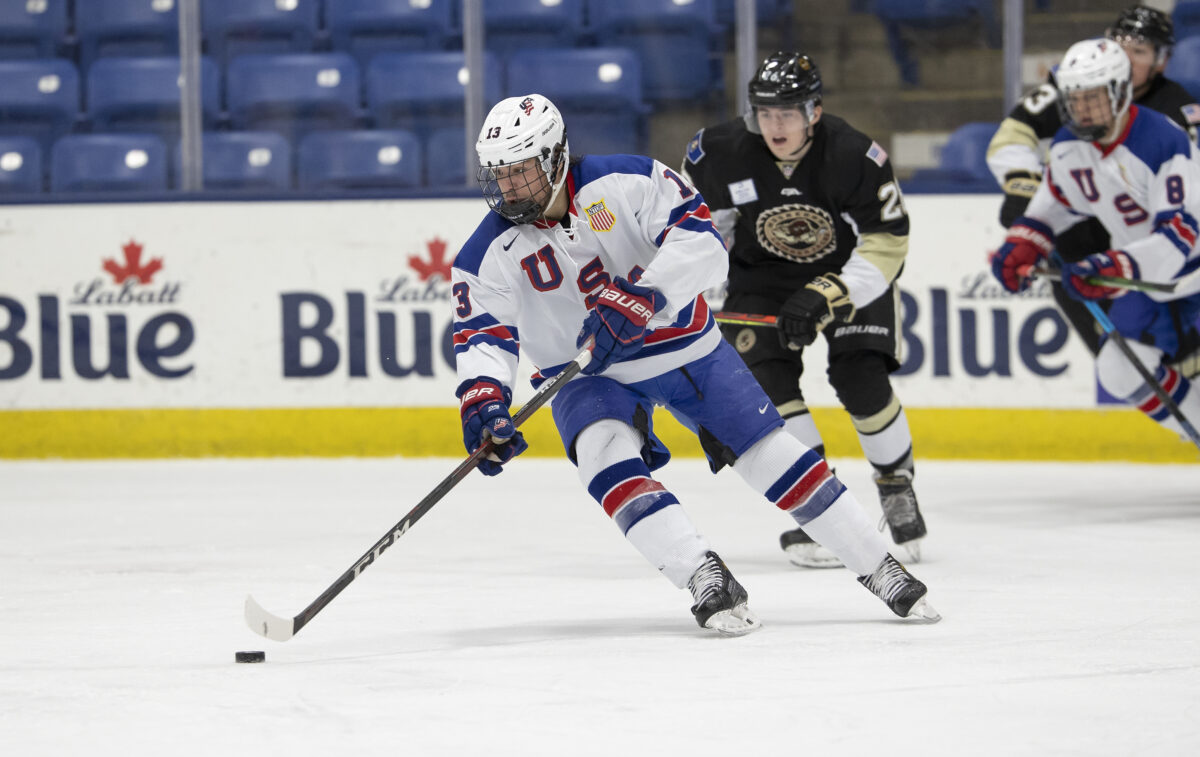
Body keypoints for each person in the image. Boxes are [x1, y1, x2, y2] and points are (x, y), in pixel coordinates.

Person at [452, 93, 940, 635]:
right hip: (586, 375)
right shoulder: (484, 253)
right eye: (499, 174)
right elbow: (482, 332)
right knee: (603, 457)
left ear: (554, 158)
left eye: (520, 172)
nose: (507, 188)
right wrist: (484, 399)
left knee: (768, 452)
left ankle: (880, 566)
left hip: (685, 349)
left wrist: (646, 296)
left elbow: (703, 242)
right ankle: (703, 575)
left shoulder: (629, 180)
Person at [679, 52, 926, 570]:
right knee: (769, 391)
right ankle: (824, 507)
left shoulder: (854, 156)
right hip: (762, 280)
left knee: (861, 379)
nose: (775, 125)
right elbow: (699, 232)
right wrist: (690, 288)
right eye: (765, 113)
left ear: (814, 111)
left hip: (848, 276)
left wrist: (828, 292)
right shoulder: (718, 153)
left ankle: (896, 484)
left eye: (788, 113)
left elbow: (886, 242)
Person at [991, 38, 1200, 444]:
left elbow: (1180, 237)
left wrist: (1112, 267)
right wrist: (1024, 244)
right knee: (1118, 369)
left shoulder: (1163, 140)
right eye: (1074, 99)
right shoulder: (1071, 149)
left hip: (1194, 274)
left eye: (1093, 98)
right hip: (1149, 284)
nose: (1081, 108)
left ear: (1121, 92)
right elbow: (1050, 208)